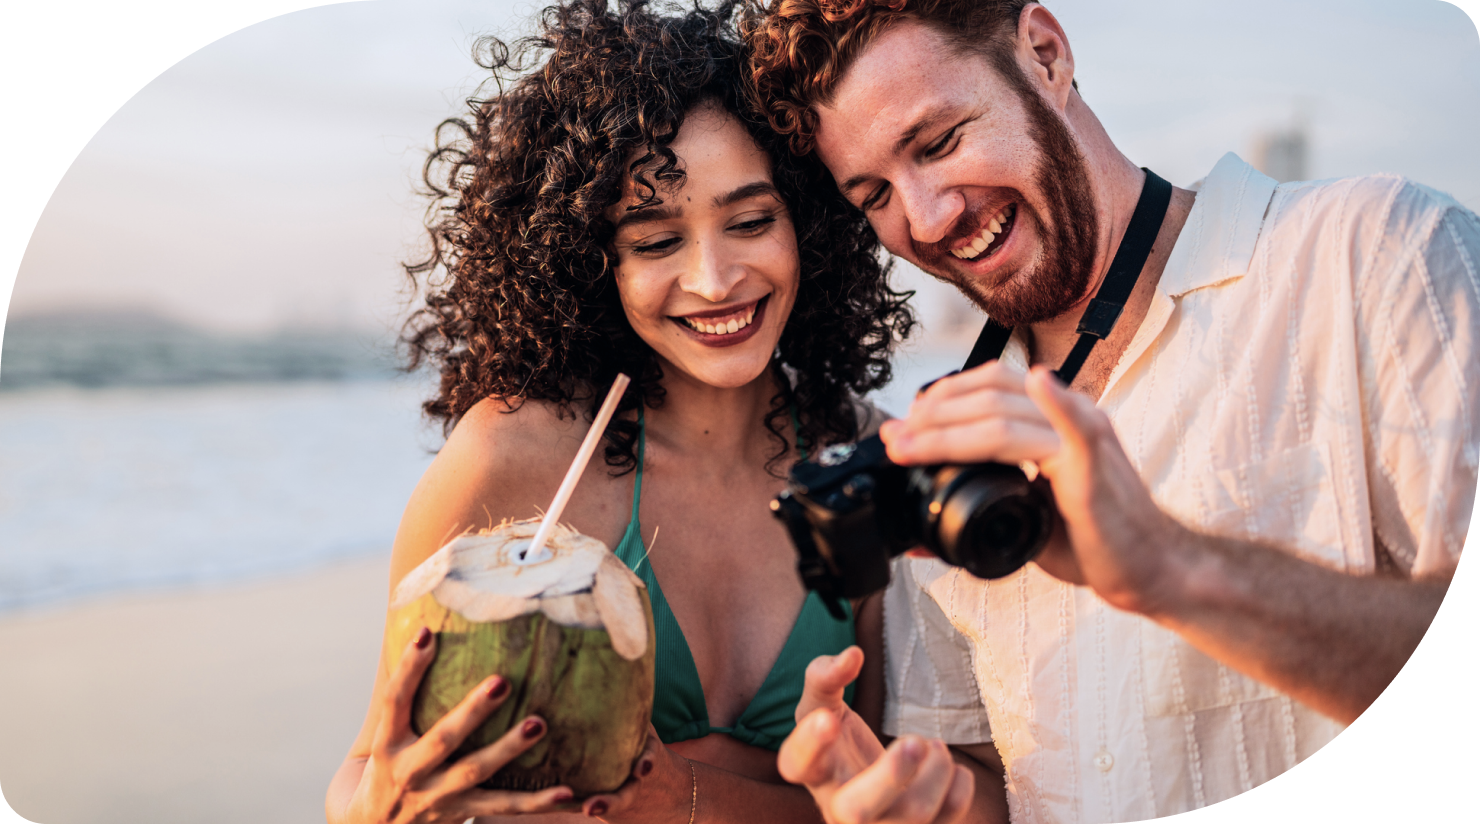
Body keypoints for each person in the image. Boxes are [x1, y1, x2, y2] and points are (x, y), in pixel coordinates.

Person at [742, 0, 1475, 821]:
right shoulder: (946, 436)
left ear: (1047, 55)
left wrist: (1169, 567)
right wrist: (924, 804)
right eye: (875, 193)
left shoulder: (1380, 252)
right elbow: (987, 773)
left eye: (940, 142)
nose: (927, 218)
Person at [325, 2, 1010, 823]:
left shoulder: (857, 459)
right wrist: (381, 808)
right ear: (589, 261)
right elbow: (368, 766)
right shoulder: (510, 460)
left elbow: (887, 797)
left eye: (751, 222)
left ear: (811, 226)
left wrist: (669, 795)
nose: (716, 280)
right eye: (655, 242)